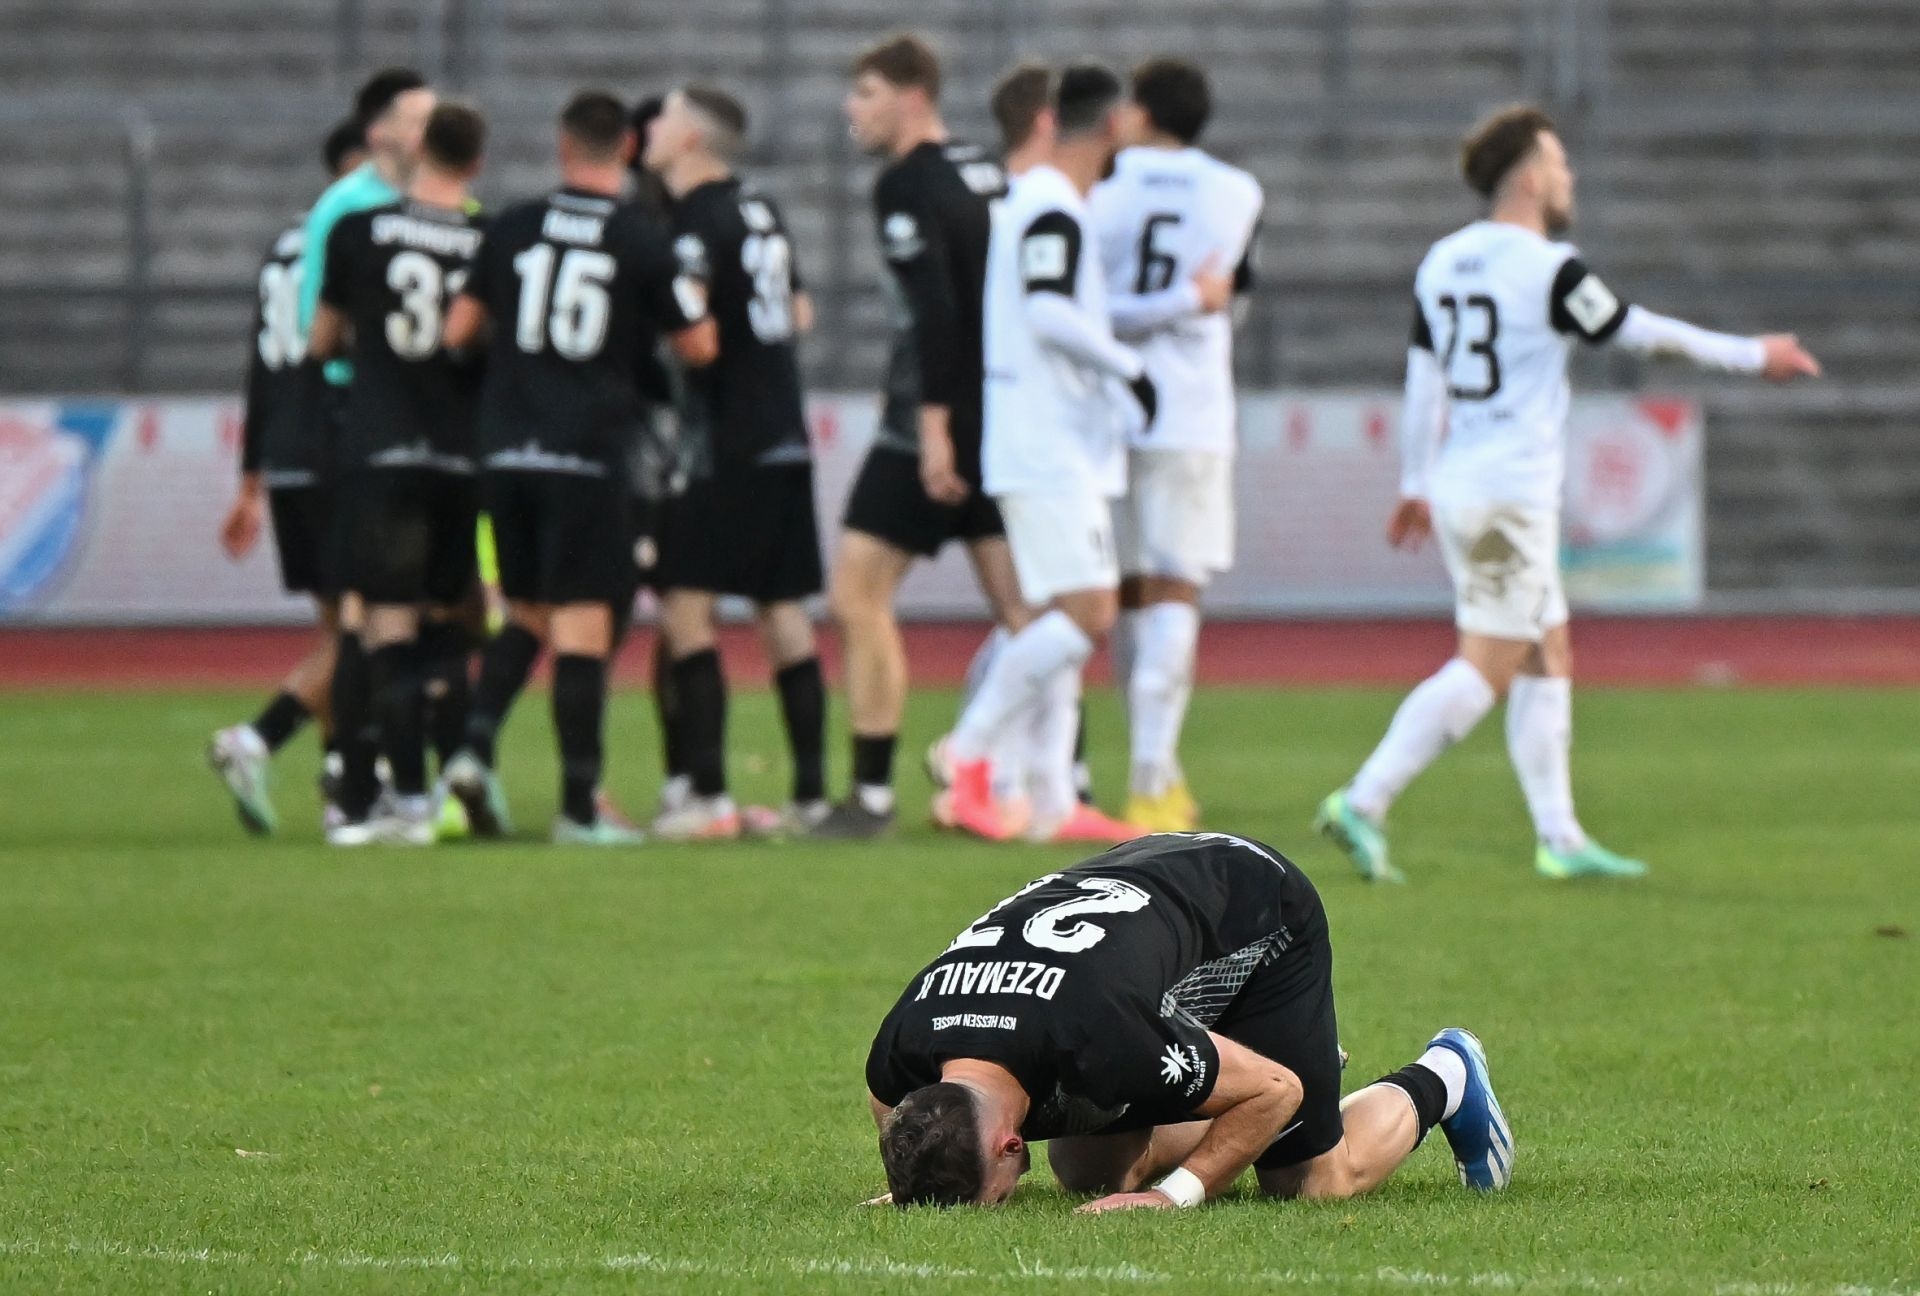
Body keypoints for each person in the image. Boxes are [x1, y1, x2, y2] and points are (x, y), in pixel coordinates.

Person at [1315, 105, 1821, 883]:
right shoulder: (1548, 269)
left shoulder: (1443, 260)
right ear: (1526, 175)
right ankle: (1365, 799)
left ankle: (1561, 836)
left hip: (1465, 486)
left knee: (1548, 649)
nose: (1567, 176)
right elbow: (1634, 330)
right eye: (1556, 162)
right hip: (1506, 499)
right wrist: (1754, 354)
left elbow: (1423, 378)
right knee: (1488, 664)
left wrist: (1416, 478)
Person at [865, 832, 1512, 1208]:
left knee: (1306, 1181)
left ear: (1011, 1146)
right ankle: (1230, 1065)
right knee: (1089, 1177)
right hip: (1146, 884)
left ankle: (1445, 1075)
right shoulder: (900, 1054)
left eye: (996, 1197)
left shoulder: (1099, 1038)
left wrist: (1173, 1199)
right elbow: (897, 1112)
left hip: (1256, 906)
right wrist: (919, 1180)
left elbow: (1277, 1090)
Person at [442, 90, 717, 845]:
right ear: (627, 149)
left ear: (563, 148)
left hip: (505, 448)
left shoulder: (511, 225)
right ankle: (576, 805)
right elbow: (698, 346)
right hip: (587, 454)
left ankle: (469, 751)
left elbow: (456, 329)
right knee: (583, 629)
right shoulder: (640, 236)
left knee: (526, 611)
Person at [932, 64, 1148, 845]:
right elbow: (1052, 311)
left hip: (1052, 441)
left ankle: (1054, 800)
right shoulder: (1052, 205)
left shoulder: (1047, 204)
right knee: (1087, 612)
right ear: (1112, 125)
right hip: (1045, 444)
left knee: (1063, 614)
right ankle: (968, 756)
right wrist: (1130, 368)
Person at [812, 34, 1018, 840]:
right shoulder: (984, 170)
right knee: (1025, 615)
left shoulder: (907, 182)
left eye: (864, 93)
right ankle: (1037, 777)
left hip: (932, 419)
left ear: (910, 94)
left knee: (857, 595)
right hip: (1002, 412)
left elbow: (935, 310)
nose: (851, 109)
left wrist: (933, 427)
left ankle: (868, 795)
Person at [642, 84, 828, 840]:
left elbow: (700, 339)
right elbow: (802, 312)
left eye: (661, 119)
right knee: (781, 608)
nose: (647, 130)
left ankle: (709, 797)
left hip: (721, 443)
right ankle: (813, 794)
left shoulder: (692, 221)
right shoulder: (761, 207)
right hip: (781, 428)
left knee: (686, 605)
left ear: (690, 139)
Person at [308, 101, 490, 845]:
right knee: (453, 624)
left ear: (416, 153)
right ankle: (456, 780)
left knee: (383, 627)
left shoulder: (359, 232)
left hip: (380, 449)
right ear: (475, 162)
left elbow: (321, 341)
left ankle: (403, 800)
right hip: (460, 453)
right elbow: (484, 343)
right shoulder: (489, 236)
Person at [1092, 58, 1261, 834]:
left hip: (1109, 407)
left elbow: (1082, 309)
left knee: (1128, 596)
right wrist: (1190, 306)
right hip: (1191, 412)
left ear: (1144, 110)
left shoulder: (1101, 185)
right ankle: (1152, 775)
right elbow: (1233, 303)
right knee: (1175, 589)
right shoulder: (1237, 192)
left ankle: (1153, 767)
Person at [205, 125, 365, 835]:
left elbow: (260, 366)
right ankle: (259, 739)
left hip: (291, 451)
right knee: (380, 626)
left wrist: (250, 479)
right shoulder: (357, 239)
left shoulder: (284, 244)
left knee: (341, 627)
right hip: (342, 442)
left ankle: (342, 789)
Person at [297, 68, 440, 831]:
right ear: (380, 131)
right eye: (421, 119)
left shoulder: (431, 207)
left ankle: (397, 777)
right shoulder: (345, 211)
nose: (432, 131)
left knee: (424, 613)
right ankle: (362, 783)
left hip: (431, 431)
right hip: (366, 423)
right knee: (368, 614)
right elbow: (316, 334)